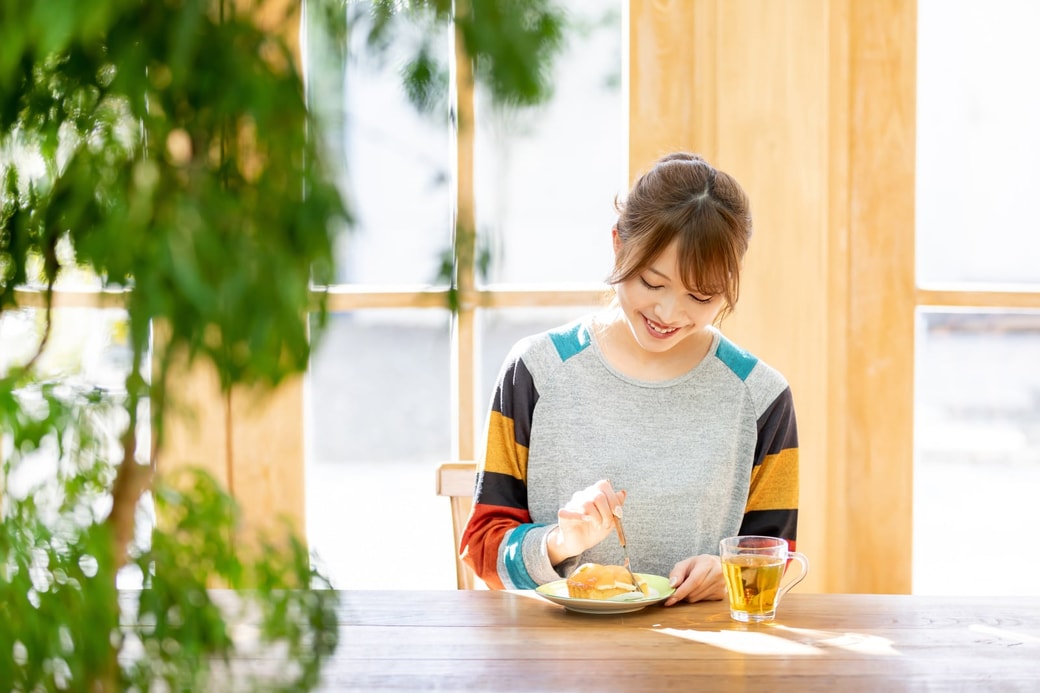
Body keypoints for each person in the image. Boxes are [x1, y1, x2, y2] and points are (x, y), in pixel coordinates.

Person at [459, 152, 799, 606]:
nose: (668, 313)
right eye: (651, 282)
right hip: (560, 666)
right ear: (619, 244)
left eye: (700, 296)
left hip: (702, 667)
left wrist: (730, 575)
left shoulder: (761, 397)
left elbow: (778, 557)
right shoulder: (535, 372)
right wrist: (560, 541)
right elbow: (482, 550)